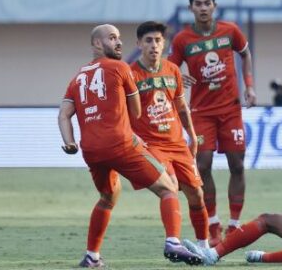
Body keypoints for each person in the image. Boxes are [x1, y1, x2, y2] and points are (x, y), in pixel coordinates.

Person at [58, 24, 202, 267]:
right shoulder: (121, 67)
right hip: (120, 143)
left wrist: (69, 142)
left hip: (91, 151)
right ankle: (173, 243)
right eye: (112, 38)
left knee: (107, 198)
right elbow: (136, 112)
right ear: (96, 44)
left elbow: (63, 115)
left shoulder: (78, 77)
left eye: (119, 38)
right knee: (168, 187)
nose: (118, 43)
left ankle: (92, 256)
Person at [168, 0, 257, 247]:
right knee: (203, 165)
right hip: (201, 112)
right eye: (198, 4)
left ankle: (235, 225)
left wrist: (249, 86)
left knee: (237, 165)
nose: (203, 8)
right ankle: (214, 223)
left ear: (214, 6)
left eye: (208, 3)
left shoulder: (230, 31)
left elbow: (246, 54)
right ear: (191, 8)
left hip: (230, 109)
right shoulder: (183, 40)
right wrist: (176, 75)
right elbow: (169, 67)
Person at [129, 21, 210, 248]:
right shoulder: (130, 75)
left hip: (177, 144)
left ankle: (204, 246)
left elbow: (182, 107)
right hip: (152, 146)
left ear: (164, 44)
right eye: (148, 41)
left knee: (196, 194)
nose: (154, 45)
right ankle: (172, 241)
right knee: (170, 185)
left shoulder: (173, 70)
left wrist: (192, 136)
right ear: (139, 44)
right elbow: (124, 113)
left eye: (158, 40)